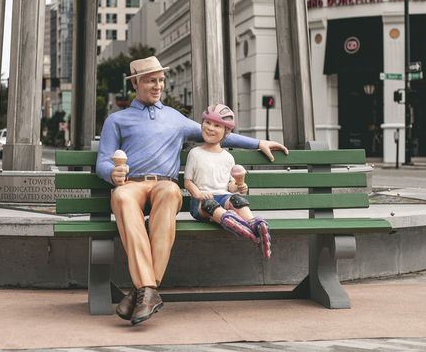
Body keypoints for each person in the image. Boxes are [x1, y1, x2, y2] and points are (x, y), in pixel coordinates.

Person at [96, 56, 288, 325]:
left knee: (172, 192)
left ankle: (141, 290)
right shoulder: (116, 120)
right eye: (151, 80)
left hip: (165, 184)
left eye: (161, 80)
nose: (158, 85)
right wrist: (112, 172)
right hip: (131, 185)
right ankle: (148, 290)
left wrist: (258, 142)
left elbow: (218, 133)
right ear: (135, 83)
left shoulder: (175, 118)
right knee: (121, 198)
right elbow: (103, 161)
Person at [184, 104, 272, 259]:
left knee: (238, 200)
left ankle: (252, 223)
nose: (210, 128)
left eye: (217, 125)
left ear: (227, 132)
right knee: (210, 205)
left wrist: (239, 186)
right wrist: (199, 194)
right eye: (207, 122)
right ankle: (228, 219)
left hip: (223, 197)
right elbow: (188, 182)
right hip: (199, 203)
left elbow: (230, 187)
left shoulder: (228, 157)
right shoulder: (195, 153)